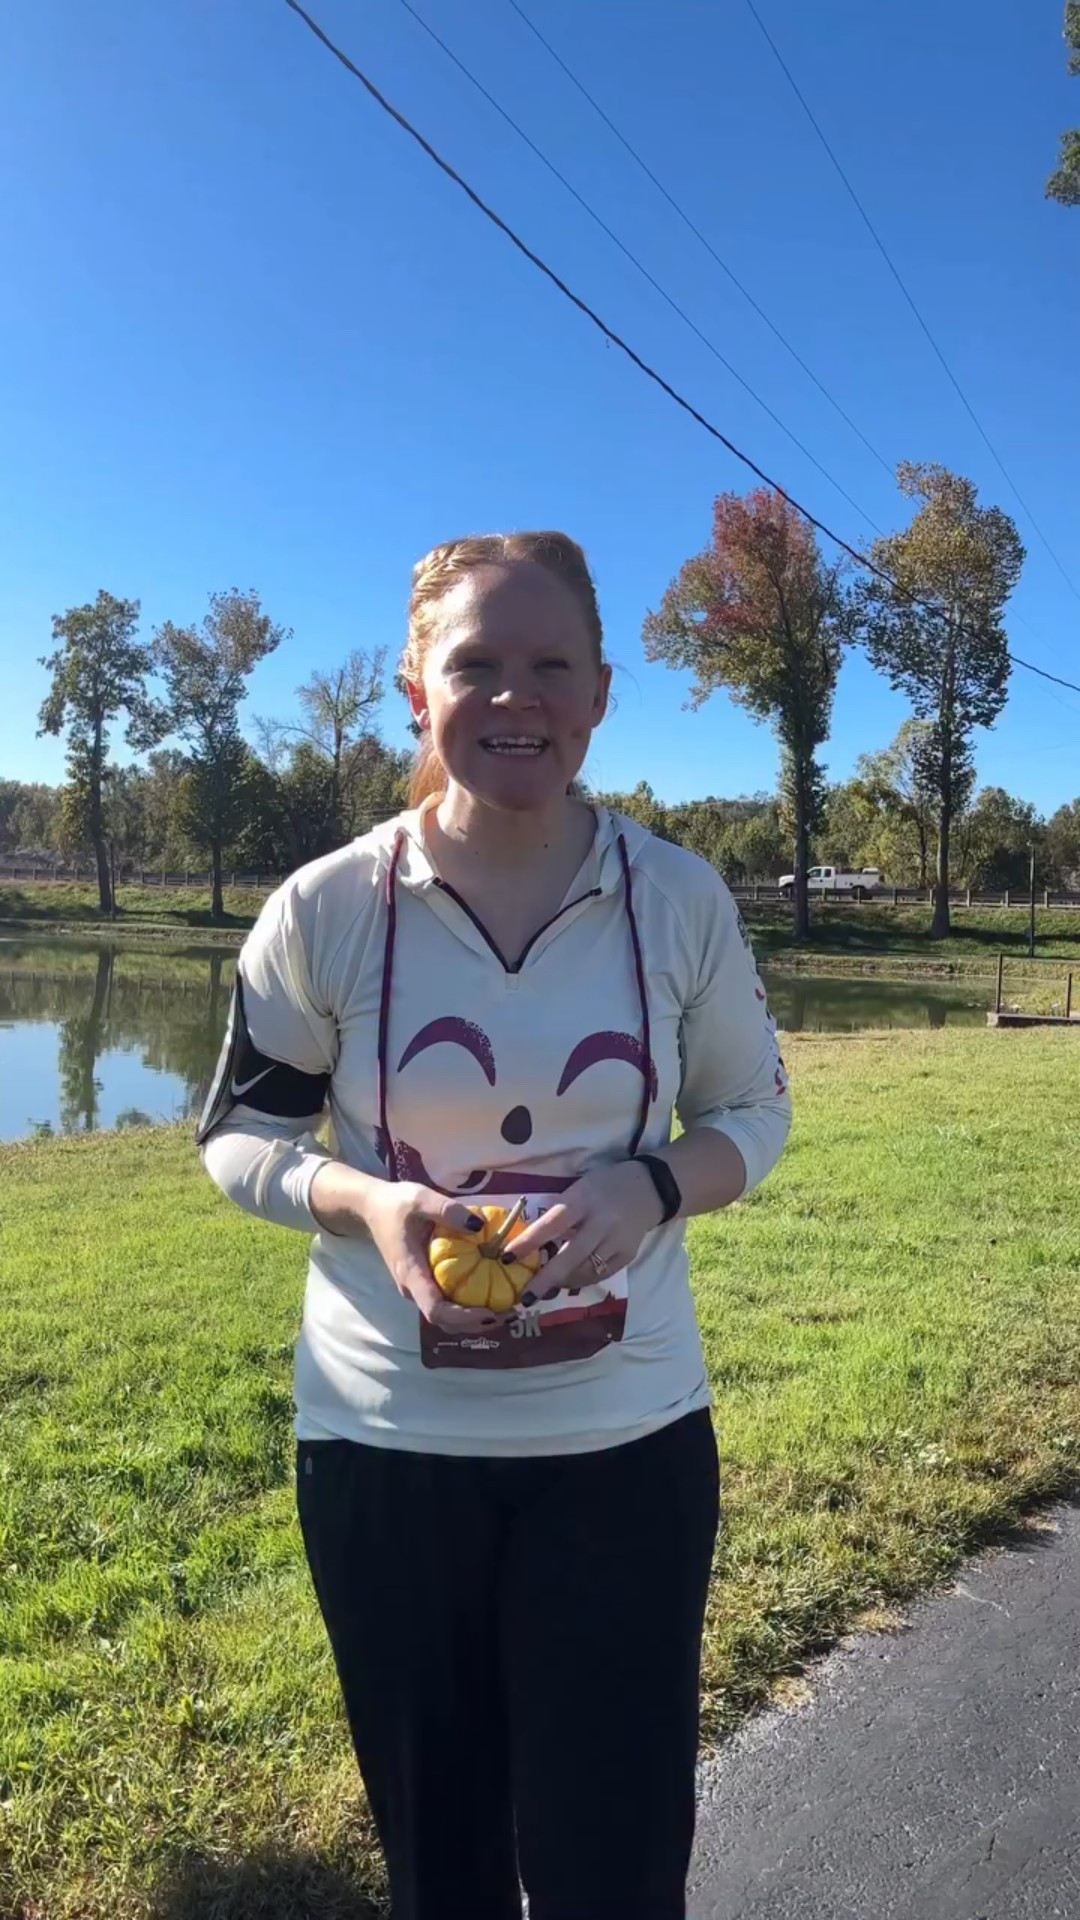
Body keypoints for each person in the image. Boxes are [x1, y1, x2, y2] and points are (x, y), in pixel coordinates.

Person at [198, 530, 792, 1920]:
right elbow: (240, 1137)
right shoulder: (327, 908)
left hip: (629, 1450)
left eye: (549, 667)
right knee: (441, 1871)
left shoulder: (679, 900)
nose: (513, 697)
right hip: (384, 1451)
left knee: (617, 1864)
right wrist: (370, 1201)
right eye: (477, 664)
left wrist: (651, 1186)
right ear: (417, 685)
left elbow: (752, 1114)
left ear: (599, 693)